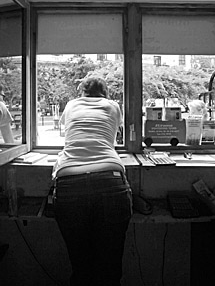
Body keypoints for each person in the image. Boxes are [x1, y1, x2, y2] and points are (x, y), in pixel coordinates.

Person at [52, 77, 132, 286]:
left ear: (82, 92)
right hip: (110, 178)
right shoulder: (113, 106)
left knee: (81, 266)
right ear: (105, 92)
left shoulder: (71, 105)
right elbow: (114, 135)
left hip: (69, 179)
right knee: (110, 266)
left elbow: (69, 133)